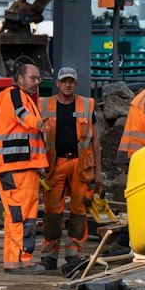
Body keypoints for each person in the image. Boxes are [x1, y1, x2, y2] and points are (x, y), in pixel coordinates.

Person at [0, 60, 48, 274]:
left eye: (38, 78)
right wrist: (38, 123)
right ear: (20, 78)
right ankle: (16, 261)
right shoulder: (14, 94)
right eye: (33, 78)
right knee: (18, 215)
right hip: (16, 167)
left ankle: (24, 259)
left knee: (26, 216)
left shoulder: (22, 98)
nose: (37, 82)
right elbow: (22, 115)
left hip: (23, 166)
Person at [39, 67, 99, 272]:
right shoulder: (44, 104)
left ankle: (74, 254)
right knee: (52, 212)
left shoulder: (87, 105)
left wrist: (98, 173)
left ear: (76, 83)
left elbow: (95, 142)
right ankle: (49, 255)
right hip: (54, 165)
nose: (67, 85)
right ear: (57, 83)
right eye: (64, 81)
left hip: (81, 165)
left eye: (71, 81)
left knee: (79, 210)